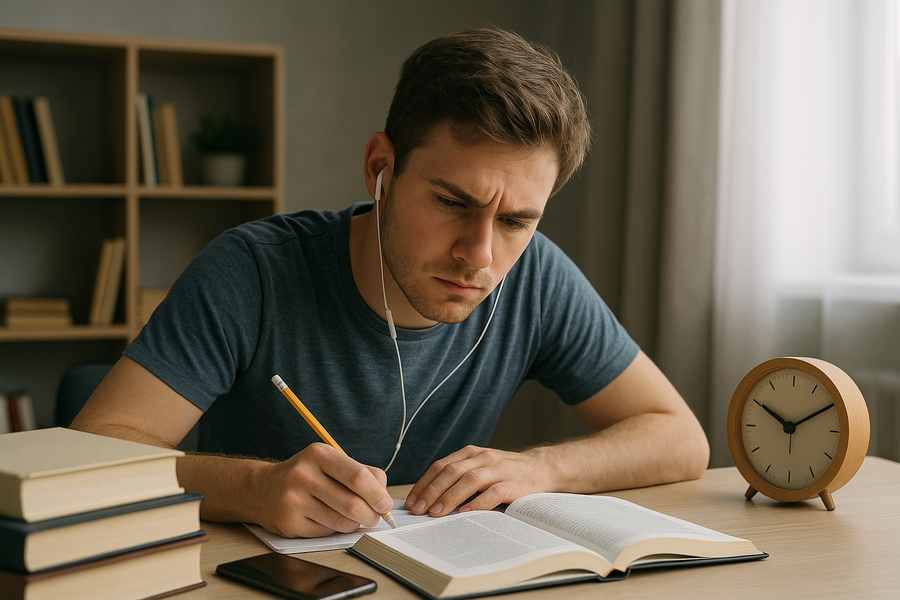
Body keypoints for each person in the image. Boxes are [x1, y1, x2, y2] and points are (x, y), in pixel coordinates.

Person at [71, 27, 709, 539]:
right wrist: (254, 490)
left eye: (516, 221)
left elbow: (679, 438)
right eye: (452, 202)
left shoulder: (537, 275)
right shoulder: (253, 271)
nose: (480, 255)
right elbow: (90, 454)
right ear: (382, 167)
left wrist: (541, 468)